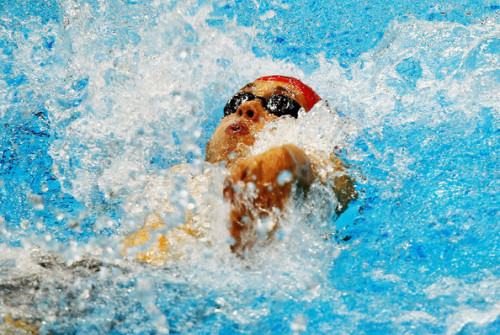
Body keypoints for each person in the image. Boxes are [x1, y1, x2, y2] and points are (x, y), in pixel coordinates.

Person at [122, 76, 356, 263]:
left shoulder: (320, 163)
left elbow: (319, 169)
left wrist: (282, 162)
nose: (246, 106)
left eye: (280, 104)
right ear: (208, 146)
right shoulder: (176, 177)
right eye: (237, 100)